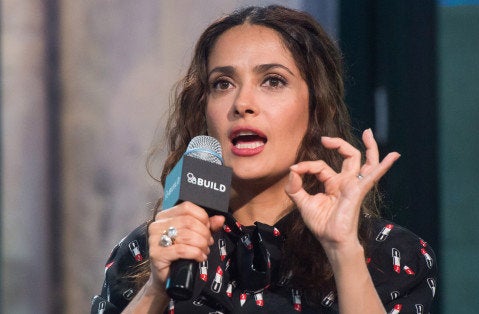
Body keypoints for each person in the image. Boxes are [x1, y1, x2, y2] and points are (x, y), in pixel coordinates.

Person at [91, 5, 437, 314]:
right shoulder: (149, 250)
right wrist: (155, 287)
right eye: (222, 84)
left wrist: (343, 250)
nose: (242, 103)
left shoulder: (390, 256)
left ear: (316, 107)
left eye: (273, 81)